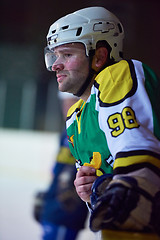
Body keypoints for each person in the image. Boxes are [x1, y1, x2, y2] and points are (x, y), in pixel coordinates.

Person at [44, 6, 160, 239]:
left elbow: (139, 157)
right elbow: (104, 193)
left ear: (99, 56)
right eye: (54, 55)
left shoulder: (118, 74)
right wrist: (90, 190)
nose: (56, 64)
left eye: (67, 55)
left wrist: (127, 188)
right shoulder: (75, 117)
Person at [33, 92, 89, 240]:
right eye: (64, 104)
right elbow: (57, 170)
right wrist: (48, 198)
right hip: (53, 209)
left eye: (70, 102)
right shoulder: (66, 132)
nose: (66, 108)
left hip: (66, 212)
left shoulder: (86, 132)